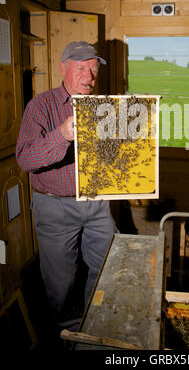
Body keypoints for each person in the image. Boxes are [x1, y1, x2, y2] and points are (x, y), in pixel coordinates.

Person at [16, 41, 117, 335]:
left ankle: (95, 328)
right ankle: (67, 334)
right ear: (63, 68)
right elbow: (25, 159)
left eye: (94, 70)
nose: (89, 77)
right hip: (55, 206)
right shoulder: (40, 106)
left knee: (105, 268)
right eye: (81, 68)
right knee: (60, 282)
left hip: (97, 202)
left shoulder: (104, 107)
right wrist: (61, 134)